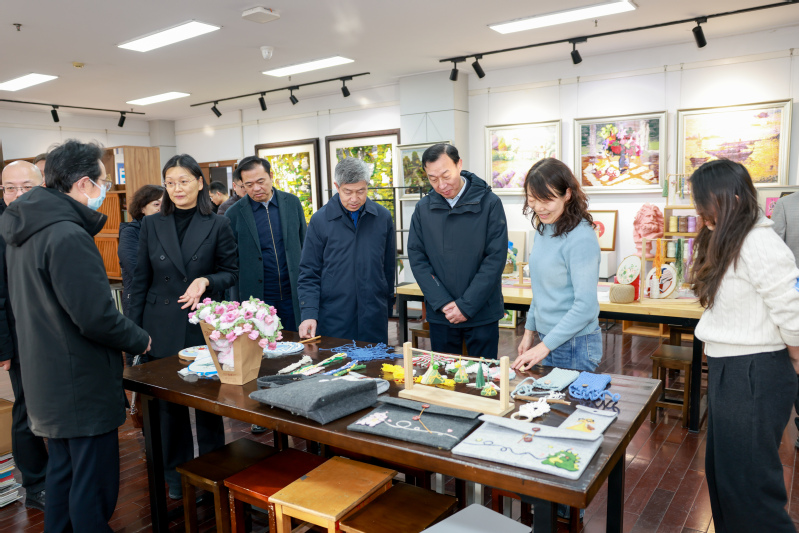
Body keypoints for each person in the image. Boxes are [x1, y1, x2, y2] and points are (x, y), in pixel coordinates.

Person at [0, 140, 151, 532]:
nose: (105, 189)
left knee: (64, 479)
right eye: (103, 181)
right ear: (84, 183)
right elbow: (95, 316)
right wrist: (139, 339)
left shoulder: (24, 230)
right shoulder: (66, 234)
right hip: (79, 383)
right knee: (93, 488)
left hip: (46, 379)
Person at [690, 159, 799, 532]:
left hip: (755, 372)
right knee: (725, 477)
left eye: (706, 207)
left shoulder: (759, 242)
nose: (702, 215)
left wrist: (794, 361)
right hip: (733, 369)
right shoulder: (731, 238)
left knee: (750, 489)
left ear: (732, 199)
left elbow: (794, 311)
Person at [128, 154, 237, 500]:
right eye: (170, 182)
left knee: (208, 406)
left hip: (201, 324)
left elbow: (231, 272)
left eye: (184, 181)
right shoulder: (151, 224)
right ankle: (175, 475)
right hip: (159, 325)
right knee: (168, 409)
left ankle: (211, 473)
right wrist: (134, 332)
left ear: (200, 183)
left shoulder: (218, 223)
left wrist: (206, 280)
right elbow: (139, 280)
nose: (177, 189)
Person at [407, 143, 507, 359]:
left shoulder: (489, 203)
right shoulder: (423, 209)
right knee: (444, 373)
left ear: (459, 164)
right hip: (442, 314)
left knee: (482, 375)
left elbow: (495, 258)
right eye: (433, 179)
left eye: (446, 176)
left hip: (482, 311)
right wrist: (444, 303)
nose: (441, 185)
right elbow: (417, 258)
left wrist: (466, 306)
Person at [512, 158, 601, 373]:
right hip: (548, 339)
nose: (539, 207)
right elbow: (541, 290)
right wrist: (529, 331)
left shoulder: (581, 237)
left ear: (567, 194)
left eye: (546, 200)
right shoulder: (545, 229)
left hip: (575, 344)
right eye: (532, 199)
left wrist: (544, 347)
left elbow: (586, 306)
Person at [298, 157, 395, 344]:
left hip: (374, 316)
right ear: (337, 186)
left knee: (376, 362)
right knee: (337, 362)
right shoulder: (320, 221)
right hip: (334, 317)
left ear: (367, 185)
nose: (354, 199)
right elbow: (309, 272)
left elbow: (388, 268)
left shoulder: (382, 217)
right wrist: (309, 313)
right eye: (347, 192)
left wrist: (387, 307)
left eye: (361, 191)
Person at [0, 162, 48, 512]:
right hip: (19, 335)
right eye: (10, 188)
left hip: (52, 332)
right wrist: (3, 346)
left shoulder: (49, 221)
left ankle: (58, 474)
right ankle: (35, 483)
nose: (18, 195)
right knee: (27, 408)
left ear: (42, 186)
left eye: (26, 187)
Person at [225, 155, 306, 332]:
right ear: (242, 185)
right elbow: (230, 263)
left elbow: (304, 245)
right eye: (249, 185)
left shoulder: (292, 203)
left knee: (298, 342)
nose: (256, 188)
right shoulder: (233, 214)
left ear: (271, 176)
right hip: (258, 298)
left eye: (260, 181)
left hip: (293, 294)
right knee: (263, 344)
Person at [118, 184, 164, 365]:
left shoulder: (168, 231)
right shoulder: (130, 232)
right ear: (142, 208)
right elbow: (136, 269)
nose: (161, 208)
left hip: (163, 302)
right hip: (139, 301)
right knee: (141, 354)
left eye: (165, 204)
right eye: (156, 204)